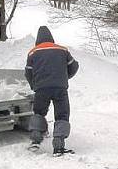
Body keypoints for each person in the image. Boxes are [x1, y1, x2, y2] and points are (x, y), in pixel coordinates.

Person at [24, 26, 79, 155]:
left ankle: (35, 141)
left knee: (39, 113)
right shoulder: (62, 49)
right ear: (51, 38)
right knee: (62, 115)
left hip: (41, 89)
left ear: (38, 39)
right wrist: (64, 77)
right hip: (60, 88)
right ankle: (59, 147)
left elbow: (28, 72)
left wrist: (34, 85)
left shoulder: (33, 52)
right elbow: (74, 66)